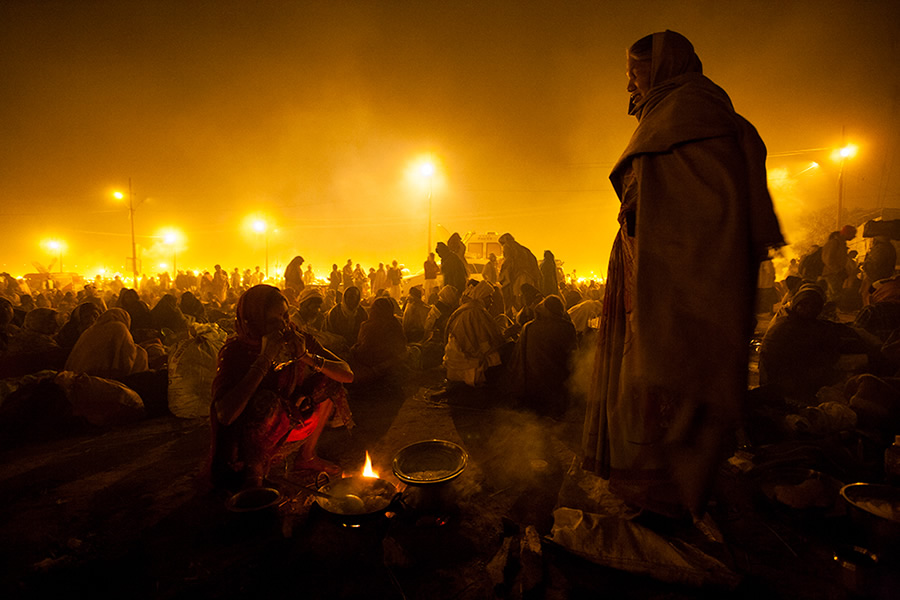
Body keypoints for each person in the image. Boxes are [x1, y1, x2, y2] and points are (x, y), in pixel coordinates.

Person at [582, 31, 784, 519]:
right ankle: (658, 487)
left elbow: (705, 209)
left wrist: (649, 232)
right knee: (653, 377)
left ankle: (664, 496)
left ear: (668, 67)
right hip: (654, 272)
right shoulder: (679, 115)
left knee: (669, 377)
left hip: (679, 281)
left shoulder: (689, 118)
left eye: (637, 73)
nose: (629, 85)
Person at [208, 285, 354, 491]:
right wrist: (265, 358)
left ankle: (307, 456)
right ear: (253, 323)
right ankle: (254, 478)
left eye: (286, 316)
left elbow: (347, 374)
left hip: (289, 420)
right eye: (274, 321)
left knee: (329, 378)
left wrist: (307, 357)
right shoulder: (236, 352)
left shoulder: (296, 337)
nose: (284, 325)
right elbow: (225, 414)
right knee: (264, 401)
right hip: (248, 442)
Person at [508, 295, 577, 418]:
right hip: (557, 383)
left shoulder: (528, 327)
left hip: (531, 383)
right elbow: (573, 355)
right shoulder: (566, 327)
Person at [443, 281, 506, 387]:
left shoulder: (465, 309)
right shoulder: (476, 312)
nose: (491, 301)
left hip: (453, 365)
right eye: (488, 297)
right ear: (481, 297)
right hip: (467, 366)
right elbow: (486, 344)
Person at [65, 308, 150, 378]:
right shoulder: (119, 327)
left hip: (76, 376)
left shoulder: (90, 330)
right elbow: (127, 357)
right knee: (141, 355)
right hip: (100, 376)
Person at [350, 297, 408, 383]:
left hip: (373, 363)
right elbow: (402, 345)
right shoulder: (395, 323)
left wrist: (353, 349)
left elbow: (364, 351)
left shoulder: (368, 326)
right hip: (393, 362)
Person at [498, 233, 541, 314]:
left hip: (518, 278)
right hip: (530, 277)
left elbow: (508, 262)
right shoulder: (524, 249)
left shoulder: (508, 246)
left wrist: (502, 276)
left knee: (516, 299)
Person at [323, 285, 368, 350]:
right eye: (349, 297)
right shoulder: (335, 312)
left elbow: (364, 333)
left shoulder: (362, 313)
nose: (351, 300)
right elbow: (328, 331)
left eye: (354, 297)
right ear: (344, 297)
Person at [821, 226, 856, 300]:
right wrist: (838, 270)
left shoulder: (841, 243)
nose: (854, 237)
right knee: (836, 296)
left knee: (836, 295)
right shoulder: (834, 243)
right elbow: (828, 260)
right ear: (846, 233)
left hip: (836, 274)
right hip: (831, 274)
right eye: (852, 234)